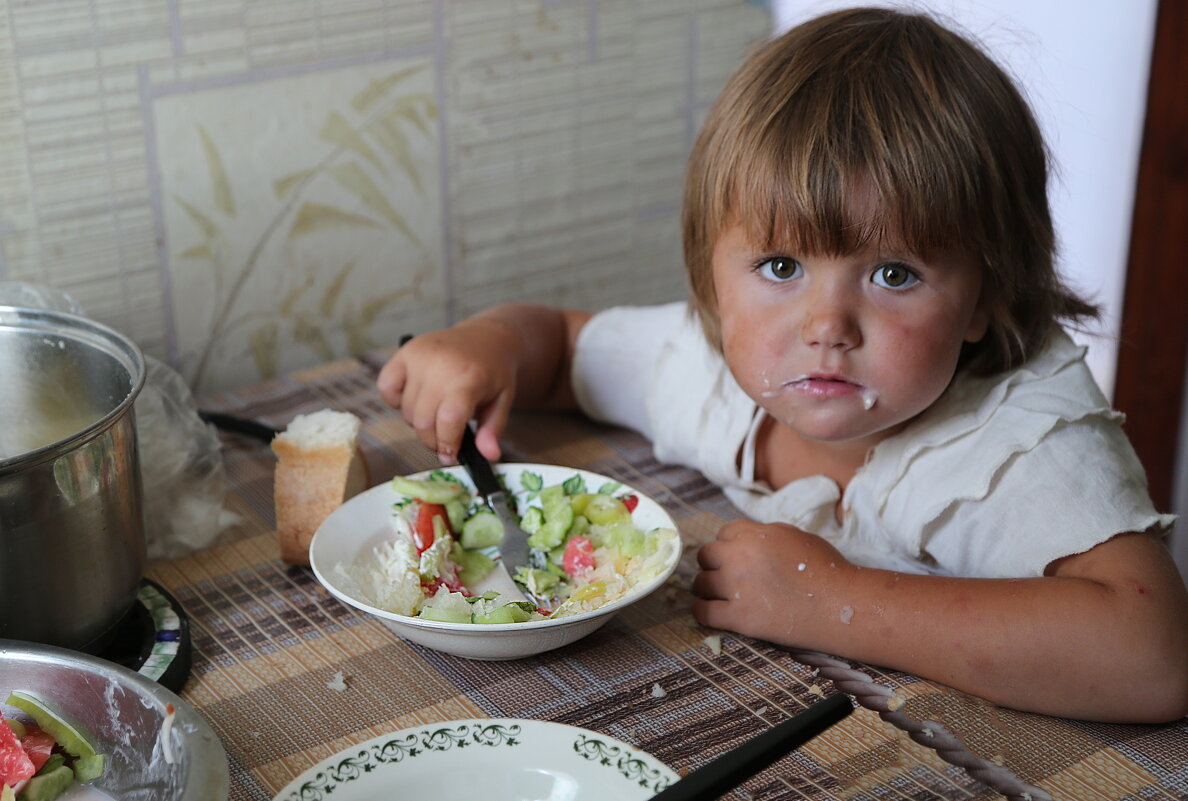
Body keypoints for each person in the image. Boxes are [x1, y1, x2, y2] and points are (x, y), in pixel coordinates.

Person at [377, 7, 1188, 723]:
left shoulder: (1018, 440)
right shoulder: (706, 370)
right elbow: (559, 345)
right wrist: (489, 343)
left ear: (983, 295)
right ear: (710, 275)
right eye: (779, 267)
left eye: (894, 274)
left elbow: (1149, 655)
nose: (826, 326)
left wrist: (832, 603)